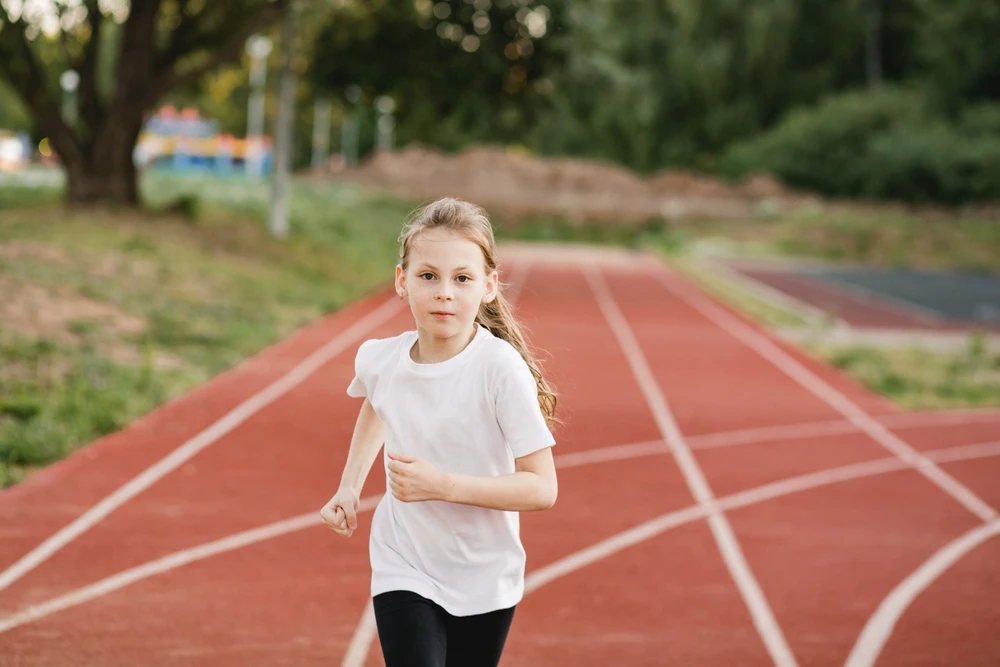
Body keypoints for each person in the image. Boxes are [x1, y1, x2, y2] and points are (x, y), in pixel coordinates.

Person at [319, 197, 559, 667]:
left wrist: (444, 486)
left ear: (489, 286)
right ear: (401, 281)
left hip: (485, 574)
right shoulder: (381, 359)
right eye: (428, 276)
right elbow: (377, 404)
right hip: (404, 562)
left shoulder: (499, 370)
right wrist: (349, 486)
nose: (444, 292)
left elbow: (542, 487)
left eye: (462, 278)